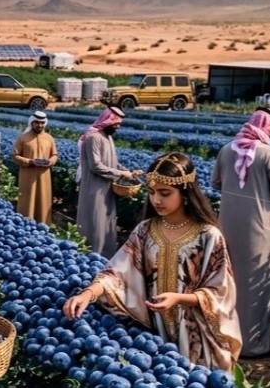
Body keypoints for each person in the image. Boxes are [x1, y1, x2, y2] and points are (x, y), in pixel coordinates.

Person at [65, 153, 242, 370]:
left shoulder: (208, 236)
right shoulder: (145, 230)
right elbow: (118, 273)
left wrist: (180, 298)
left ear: (185, 193)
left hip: (197, 335)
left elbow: (222, 291)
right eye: (151, 192)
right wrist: (88, 293)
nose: (156, 200)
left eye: (165, 193)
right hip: (154, 330)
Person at [211, 107, 270, 358]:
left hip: (228, 224)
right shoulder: (269, 153)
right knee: (256, 283)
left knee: (228, 279)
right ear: (269, 128)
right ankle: (253, 346)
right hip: (258, 227)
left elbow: (215, 183)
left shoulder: (226, 149)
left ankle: (225, 337)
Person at [76, 106, 143, 256]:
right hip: (95, 187)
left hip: (107, 187)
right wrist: (121, 174)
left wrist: (129, 172)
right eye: (115, 124)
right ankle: (91, 254)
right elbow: (96, 166)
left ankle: (106, 254)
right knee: (95, 221)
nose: (118, 127)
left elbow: (113, 162)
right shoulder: (94, 138)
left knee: (107, 221)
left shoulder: (108, 138)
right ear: (107, 121)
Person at [12, 109, 58, 225]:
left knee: (43, 199)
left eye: (42, 123)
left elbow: (54, 155)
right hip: (28, 176)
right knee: (28, 201)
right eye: (37, 122)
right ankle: (24, 225)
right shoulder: (23, 138)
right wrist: (30, 161)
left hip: (44, 176)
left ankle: (44, 225)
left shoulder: (49, 138)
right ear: (32, 123)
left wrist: (51, 162)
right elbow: (14, 156)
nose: (39, 125)